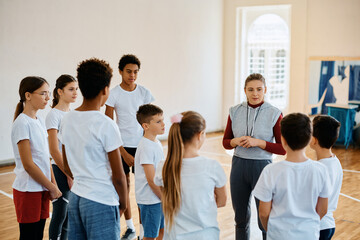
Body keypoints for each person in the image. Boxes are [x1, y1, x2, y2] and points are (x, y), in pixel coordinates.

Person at [59, 58, 128, 240]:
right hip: (101, 200)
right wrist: (123, 203)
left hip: (76, 198)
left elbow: (67, 167)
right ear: (105, 90)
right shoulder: (106, 123)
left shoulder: (67, 119)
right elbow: (119, 175)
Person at [222, 73, 286, 240]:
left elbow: (283, 149)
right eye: (250, 89)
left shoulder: (274, 113)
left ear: (265, 90)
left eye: (259, 89)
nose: (255, 93)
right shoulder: (234, 111)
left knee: (264, 218)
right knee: (240, 218)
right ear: (244, 90)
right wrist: (235, 141)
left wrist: (259, 142)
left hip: (262, 167)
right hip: (238, 166)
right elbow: (226, 142)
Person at [253, 113, 330, 240]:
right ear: (310, 138)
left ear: (282, 139)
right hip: (308, 234)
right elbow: (323, 209)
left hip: (278, 235)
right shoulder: (321, 170)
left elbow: (263, 213)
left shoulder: (270, 171)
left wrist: (273, 231)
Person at [154, 111, 227, 240]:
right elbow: (221, 201)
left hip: (174, 236)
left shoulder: (163, 167)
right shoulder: (212, 167)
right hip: (206, 235)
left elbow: (165, 197)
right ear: (200, 135)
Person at [105, 54, 154, 240]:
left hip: (142, 146)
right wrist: (122, 151)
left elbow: (150, 122)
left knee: (144, 190)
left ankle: (143, 232)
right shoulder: (114, 94)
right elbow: (109, 126)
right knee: (122, 189)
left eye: (135, 72)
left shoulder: (144, 93)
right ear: (120, 72)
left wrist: (144, 146)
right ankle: (130, 227)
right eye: (128, 71)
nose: (132, 75)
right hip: (121, 147)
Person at [11, 76, 62, 240]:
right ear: (28, 95)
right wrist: (52, 187)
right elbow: (28, 165)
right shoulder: (22, 123)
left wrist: (52, 184)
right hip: (28, 190)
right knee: (29, 236)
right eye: (43, 93)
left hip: (41, 188)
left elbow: (45, 158)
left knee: (38, 234)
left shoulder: (39, 120)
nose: (48, 98)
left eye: (48, 93)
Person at [46, 74, 78, 240]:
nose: (75, 93)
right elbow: (53, 150)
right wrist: (68, 174)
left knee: (69, 217)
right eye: (71, 89)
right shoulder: (54, 115)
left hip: (72, 170)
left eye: (76, 89)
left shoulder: (72, 114)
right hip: (60, 170)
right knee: (60, 214)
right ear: (59, 91)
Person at [134, 104, 165, 240]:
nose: (163, 124)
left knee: (162, 232)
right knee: (150, 236)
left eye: (162, 120)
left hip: (158, 198)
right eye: (158, 122)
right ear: (145, 126)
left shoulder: (156, 142)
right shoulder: (146, 146)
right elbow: (151, 180)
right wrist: (164, 198)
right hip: (150, 200)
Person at [310, 115, 343, 240]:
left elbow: (321, 207)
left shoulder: (320, 169)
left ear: (314, 140)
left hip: (319, 226)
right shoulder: (335, 161)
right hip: (327, 224)